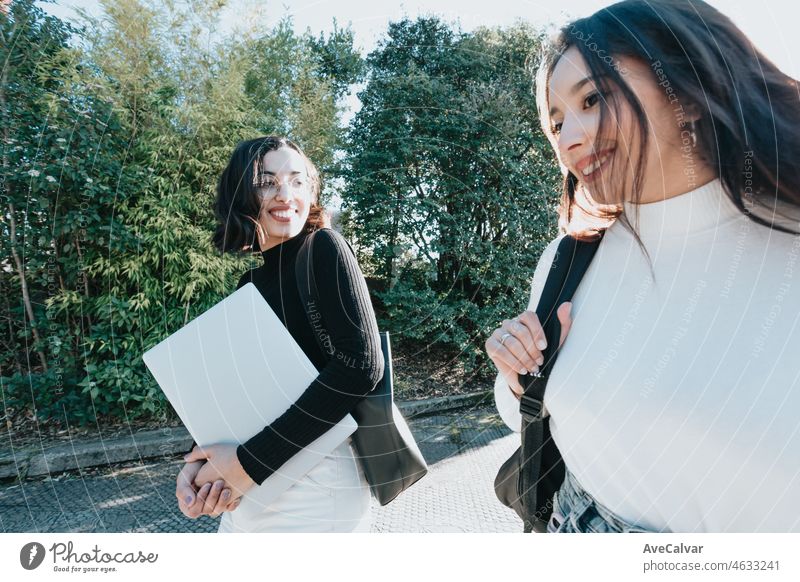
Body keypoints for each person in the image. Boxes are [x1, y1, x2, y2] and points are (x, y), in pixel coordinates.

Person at [487, 0, 800, 533]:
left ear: (688, 89)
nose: (567, 140)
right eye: (557, 121)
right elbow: (533, 405)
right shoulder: (568, 260)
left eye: (591, 98)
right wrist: (515, 375)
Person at [174, 136, 383, 532]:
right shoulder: (248, 283)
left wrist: (246, 465)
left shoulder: (324, 246)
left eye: (298, 181)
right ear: (241, 194)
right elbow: (241, 393)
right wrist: (197, 467)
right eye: (267, 181)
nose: (286, 193)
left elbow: (361, 366)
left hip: (316, 491)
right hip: (250, 487)